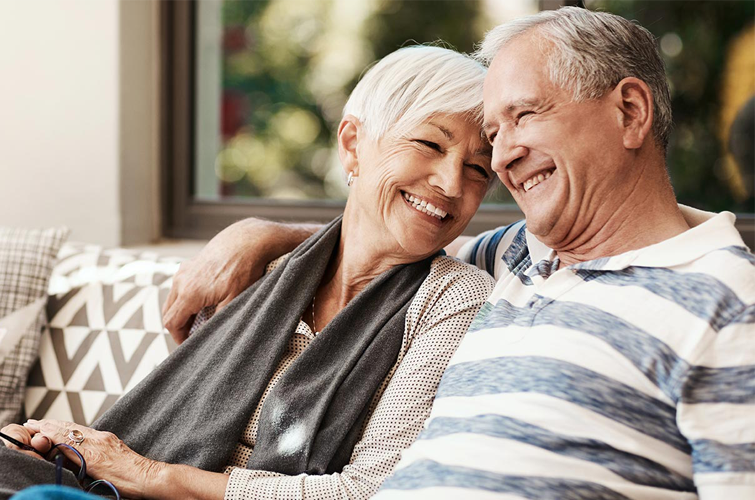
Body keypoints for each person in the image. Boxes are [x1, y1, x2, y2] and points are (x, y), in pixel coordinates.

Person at [0, 45, 497, 500]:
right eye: (429, 144)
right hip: (106, 489)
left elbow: (368, 492)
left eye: (478, 169)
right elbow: (172, 423)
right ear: (354, 144)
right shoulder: (262, 269)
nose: (449, 184)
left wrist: (138, 473)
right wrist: (70, 448)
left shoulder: (457, 302)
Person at [164, 7, 755, 500]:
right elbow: (390, 233)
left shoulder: (728, 304)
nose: (500, 161)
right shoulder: (514, 256)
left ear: (629, 112)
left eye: (524, 115)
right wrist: (261, 233)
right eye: (494, 137)